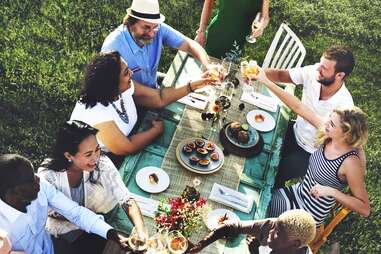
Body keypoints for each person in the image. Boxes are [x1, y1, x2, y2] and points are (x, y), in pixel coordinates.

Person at [251, 67, 370, 226]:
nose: (325, 123)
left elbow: (364, 208)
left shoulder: (350, 162)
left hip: (307, 215)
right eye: (329, 119)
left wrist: (332, 192)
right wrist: (264, 79)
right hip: (296, 194)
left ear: (346, 134)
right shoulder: (329, 135)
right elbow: (299, 108)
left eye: (332, 124)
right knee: (256, 193)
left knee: (256, 207)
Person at [70, 51, 214, 165]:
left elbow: (159, 97)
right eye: (126, 72)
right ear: (111, 83)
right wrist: (155, 131)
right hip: (103, 162)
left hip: (133, 134)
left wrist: (193, 85)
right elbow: (128, 147)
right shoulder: (97, 114)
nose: (131, 73)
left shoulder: (122, 87)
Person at [37, 120, 145, 254]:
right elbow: (54, 212)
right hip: (67, 229)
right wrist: (89, 220)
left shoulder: (102, 162)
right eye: (88, 154)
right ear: (68, 155)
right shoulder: (48, 176)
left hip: (98, 221)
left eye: (97, 149)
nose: (95, 158)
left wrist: (140, 230)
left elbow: (126, 198)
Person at [264, 45, 362, 188]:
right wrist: (258, 72)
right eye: (320, 63)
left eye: (324, 68)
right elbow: (281, 75)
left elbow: (300, 109)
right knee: (261, 147)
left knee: (272, 174)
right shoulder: (314, 72)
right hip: (295, 131)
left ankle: (270, 203)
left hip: (311, 153)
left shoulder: (344, 107)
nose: (318, 69)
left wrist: (265, 81)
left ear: (339, 75)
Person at [0, 154, 129, 254]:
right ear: (15, 192)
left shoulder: (41, 186)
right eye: (31, 179)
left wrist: (111, 233)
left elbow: (75, 213)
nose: (38, 178)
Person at [101, 0, 211, 89]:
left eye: (155, 27)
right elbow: (153, 99)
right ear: (130, 23)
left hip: (155, 90)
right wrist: (191, 87)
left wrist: (208, 66)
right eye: (146, 27)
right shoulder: (113, 47)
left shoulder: (157, 28)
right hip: (133, 104)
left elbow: (190, 45)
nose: (152, 33)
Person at [189, 209, 316, 254]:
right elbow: (234, 226)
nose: (270, 233)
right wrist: (201, 245)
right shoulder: (273, 226)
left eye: (277, 233)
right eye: (274, 226)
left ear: (295, 244)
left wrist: (256, 252)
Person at [195, 0, 270, 59]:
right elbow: (209, 2)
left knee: (223, 75)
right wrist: (201, 31)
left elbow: (265, 17)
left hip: (237, 42)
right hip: (215, 36)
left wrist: (261, 26)